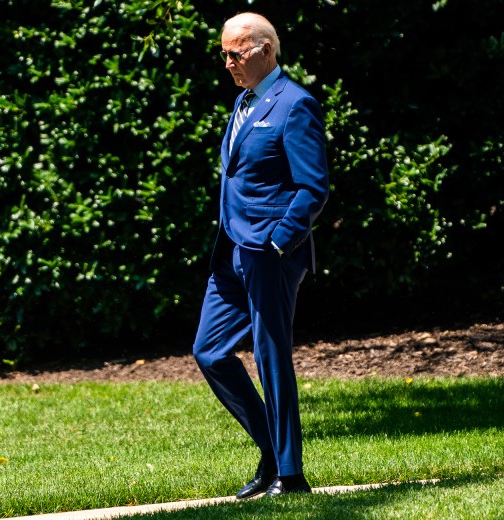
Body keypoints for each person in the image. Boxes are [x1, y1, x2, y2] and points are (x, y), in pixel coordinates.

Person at [192, 12, 329, 498]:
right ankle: (272, 453)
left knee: (271, 359)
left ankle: (290, 477)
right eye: (224, 54)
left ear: (265, 50)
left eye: (236, 53)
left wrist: (278, 241)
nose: (228, 63)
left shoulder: (295, 103)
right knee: (209, 351)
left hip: (270, 253)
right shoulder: (243, 101)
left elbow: (313, 187)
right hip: (231, 251)